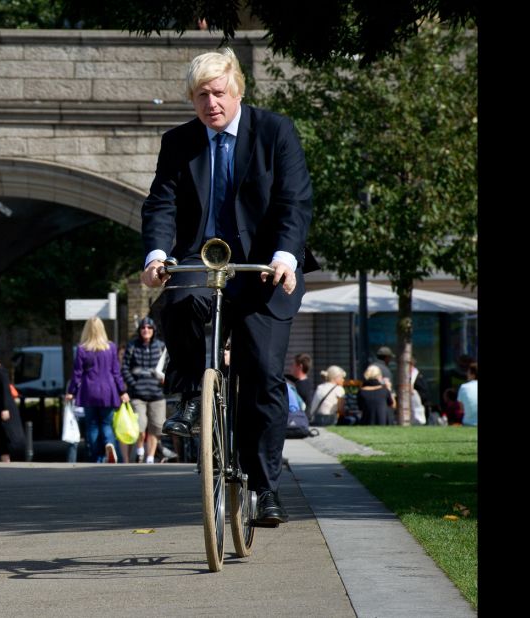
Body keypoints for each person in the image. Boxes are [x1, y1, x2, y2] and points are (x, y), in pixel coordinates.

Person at [139, 49, 318, 525]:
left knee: (262, 372)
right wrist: (157, 256)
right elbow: (161, 203)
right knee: (175, 303)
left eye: (218, 93)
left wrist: (285, 255)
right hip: (203, 257)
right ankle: (192, 394)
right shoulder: (178, 142)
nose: (210, 103)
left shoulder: (275, 131)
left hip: (264, 265)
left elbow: (294, 201)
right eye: (201, 95)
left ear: (238, 91)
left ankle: (264, 487)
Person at [66, 316, 131, 463]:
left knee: (93, 425)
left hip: (89, 392)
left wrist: (71, 392)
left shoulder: (82, 349)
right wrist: (122, 391)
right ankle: (109, 444)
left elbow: (77, 373)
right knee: (107, 424)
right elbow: (116, 372)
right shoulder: (111, 347)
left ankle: (97, 456)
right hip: (108, 392)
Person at [121, 317, 167, 463]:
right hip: (138, 395)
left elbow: (168, 367)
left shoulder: (161, 346)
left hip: (157, 394)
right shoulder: (132, 346)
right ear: (139, 330)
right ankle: (140, 450)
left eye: (149, 328)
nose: (146, 330)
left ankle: (150, 457)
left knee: (156, 426)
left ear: (153, 330)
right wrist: (133, 384)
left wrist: (166, 379)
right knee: (140, 425)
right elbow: (125, 368)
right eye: (143, 328)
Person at [458, 362, 477, 427]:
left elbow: (462, 409)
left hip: (468, 423)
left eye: (468, 373)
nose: (467, 374)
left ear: (473, 375)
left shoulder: (464, 387)